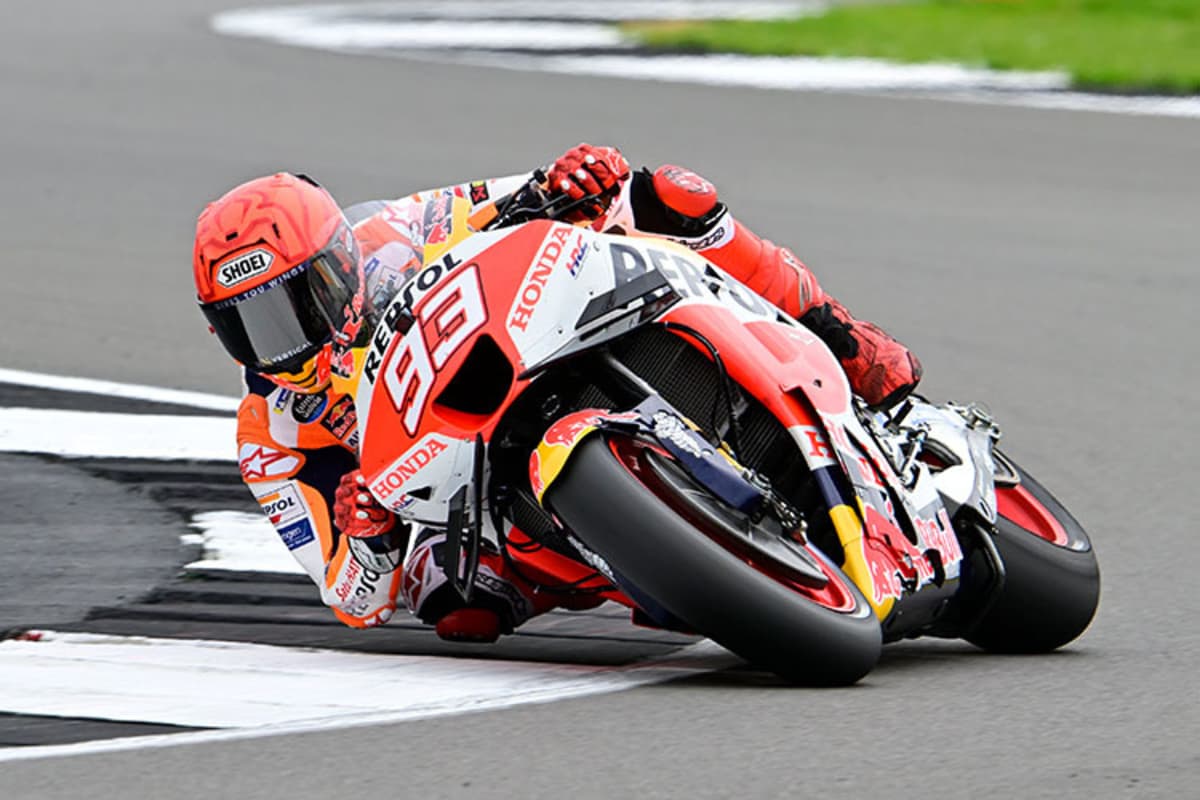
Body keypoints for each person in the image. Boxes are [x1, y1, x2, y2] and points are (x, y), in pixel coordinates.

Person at [192, 144, 922, 641]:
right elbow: (352, 598)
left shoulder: (398, 233)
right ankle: (662, 568)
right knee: (453, 603)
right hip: (465, 498)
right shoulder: (271, 437)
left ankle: (839, 336)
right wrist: (370, 537)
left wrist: (565, 181)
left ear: (341, 263)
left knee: (667, 194)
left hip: (527, 348)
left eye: (295, 305)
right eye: (248, 326)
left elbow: (518, 198)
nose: (282, 341)